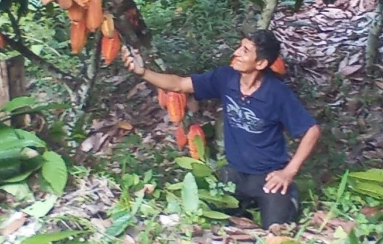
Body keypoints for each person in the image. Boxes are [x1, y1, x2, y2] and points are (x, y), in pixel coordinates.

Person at [121, 29, 321, 229]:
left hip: (268, 177)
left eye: (245, 50)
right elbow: (180, 84)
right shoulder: (226, 78)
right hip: (234, 174)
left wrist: (288, 172)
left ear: (260, 63)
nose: (236, 53)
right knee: (204, 216)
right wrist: (143, 72)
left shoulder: (276, 93)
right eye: (239, 46)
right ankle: (243, 208)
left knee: (276, 229)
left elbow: (311, 131)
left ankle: (287, 197)